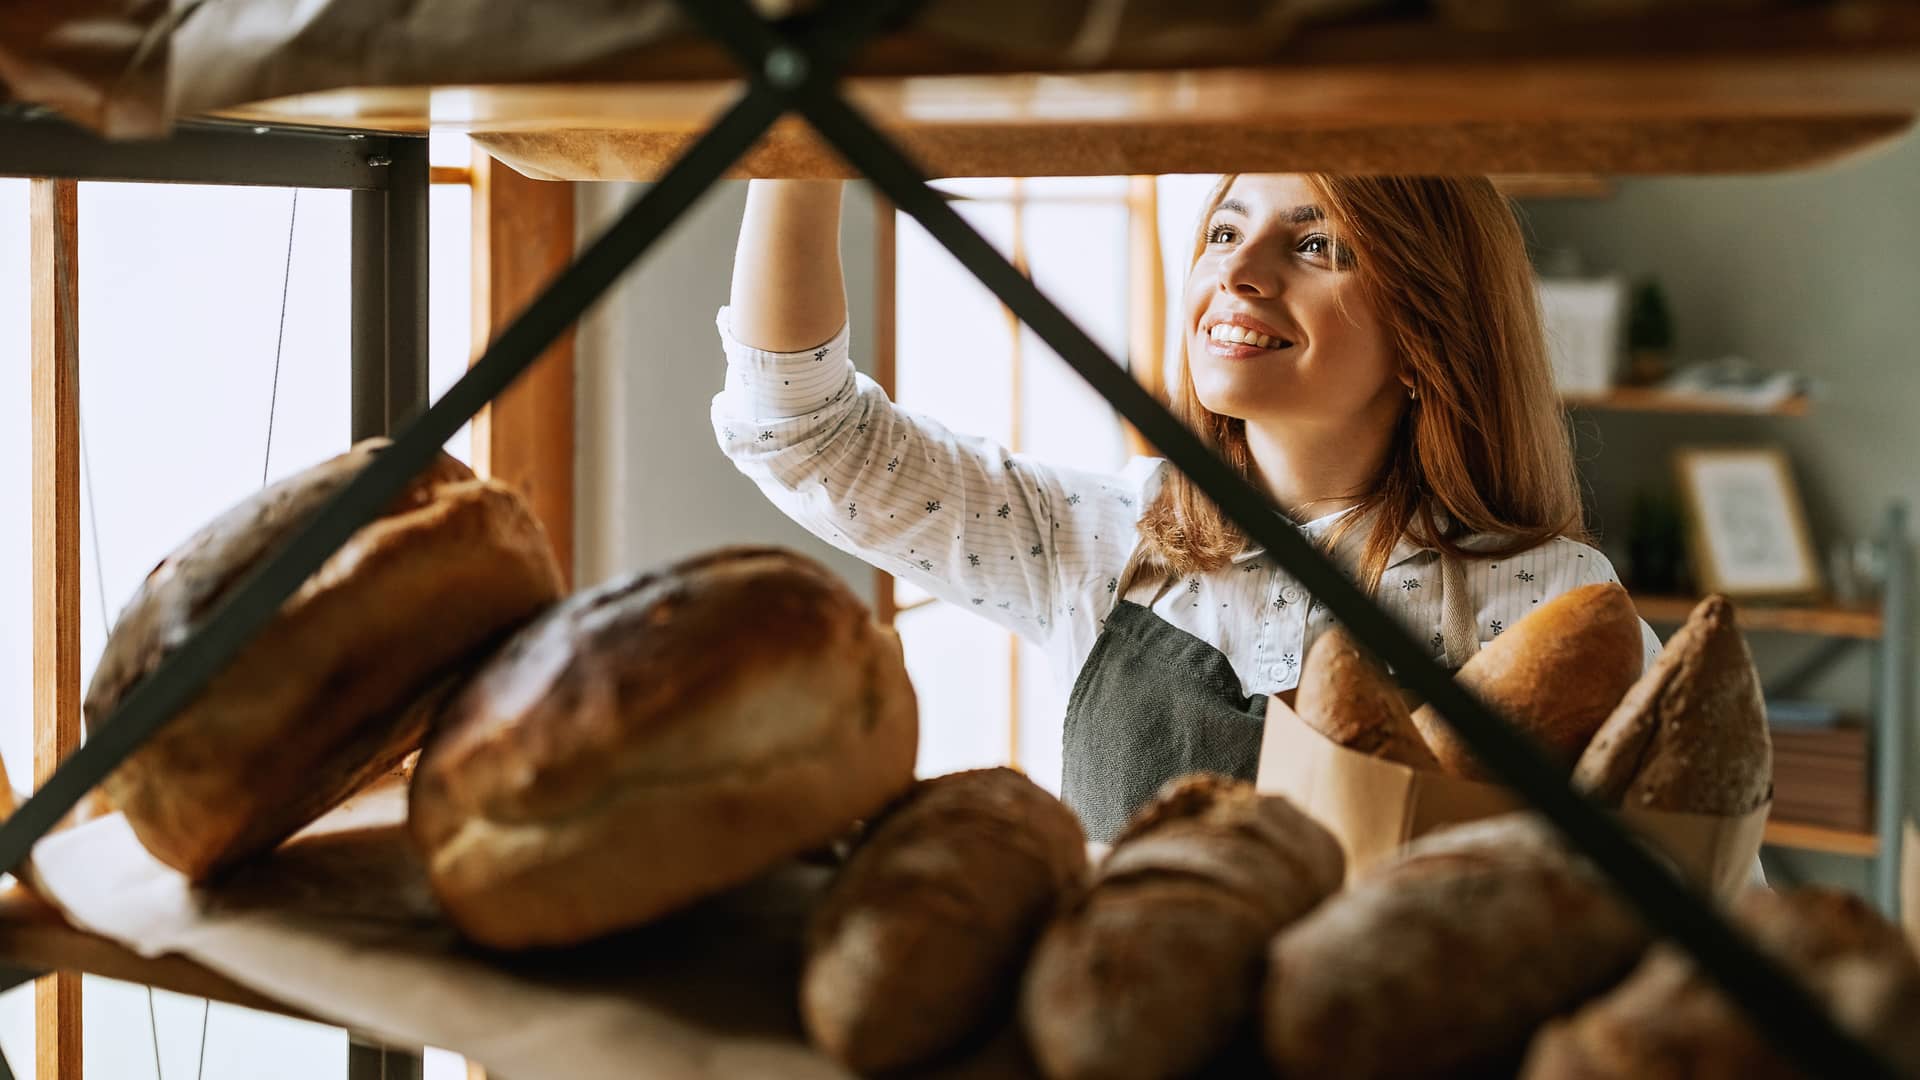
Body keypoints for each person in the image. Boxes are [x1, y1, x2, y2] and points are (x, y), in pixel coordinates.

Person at [714, 174, 1659, 842]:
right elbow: (804, 433)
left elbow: (1696, 897)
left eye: (1316, 244)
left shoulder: (1556, 605)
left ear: (1429, 333)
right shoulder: (1099, 541)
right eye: (1223, 231)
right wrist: (799, 154)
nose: (1239, 274)